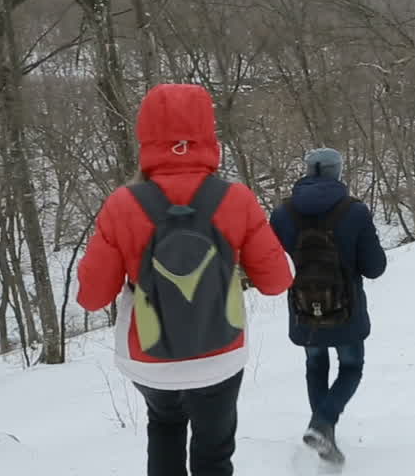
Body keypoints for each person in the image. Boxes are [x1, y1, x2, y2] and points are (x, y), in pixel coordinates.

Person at [76, 83, 293, 476]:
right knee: (213, 452)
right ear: (209, 134)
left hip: (149, 357)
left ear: (146, 137)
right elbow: (277, 282)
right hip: (220, 352)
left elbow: (92, 297)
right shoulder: (237, 199)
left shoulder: (122, 204)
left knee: (165, 425)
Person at [269, 147, 387, 463]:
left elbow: (273, 264)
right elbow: (375, 267)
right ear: (338, 171)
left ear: (308, 171)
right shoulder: (355, 211)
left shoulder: (282, 214)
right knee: (351, 367)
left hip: (305, 309)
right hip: (346, 310)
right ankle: (323, 424)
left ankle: (323, 433)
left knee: (315, 365)